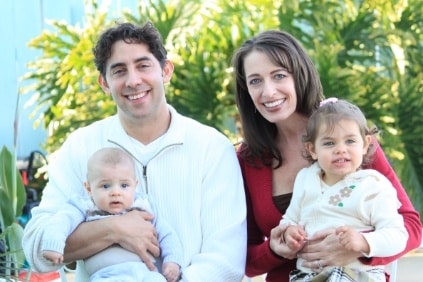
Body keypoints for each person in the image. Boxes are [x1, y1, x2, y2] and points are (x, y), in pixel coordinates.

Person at [23, 21, 247, 282]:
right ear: (104, 83)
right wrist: (114, 228)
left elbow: (226, 260)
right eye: (119, 71)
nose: (133, 80)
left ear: (165, 70)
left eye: (143, 66)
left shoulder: (211, 147)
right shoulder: (81, 146)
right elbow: (36, 247)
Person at [232, 29, 422, 282]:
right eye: (255, 81)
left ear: (299, 75)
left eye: (279, 76)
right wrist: (275, 250)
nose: (268, 92)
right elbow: (246, 260)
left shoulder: (348, 138)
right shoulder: (248, 159)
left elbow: (411, 227)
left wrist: (360, 248)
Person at [280, 98, 408, 281]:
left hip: (358, 275)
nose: (340, 149)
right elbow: (290, 218)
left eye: (350, 141)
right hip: (308, 275)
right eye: (329, 143)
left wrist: (364, 242)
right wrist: (289, 231)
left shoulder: (373, 185)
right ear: (312, 149)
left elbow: (397, 236)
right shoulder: (305, 179)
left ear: (365, 144)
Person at [42, 147, 182, 282]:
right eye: (106, 186)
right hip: (107, 275)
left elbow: (167, 234)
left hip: (146, 273)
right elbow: (61, 222)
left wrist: (172, 261)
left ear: (135, 184)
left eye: (124, 185)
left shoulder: (144, 205)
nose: (116, 192)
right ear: (89, 188)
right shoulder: (85, 206)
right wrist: (53, 245)